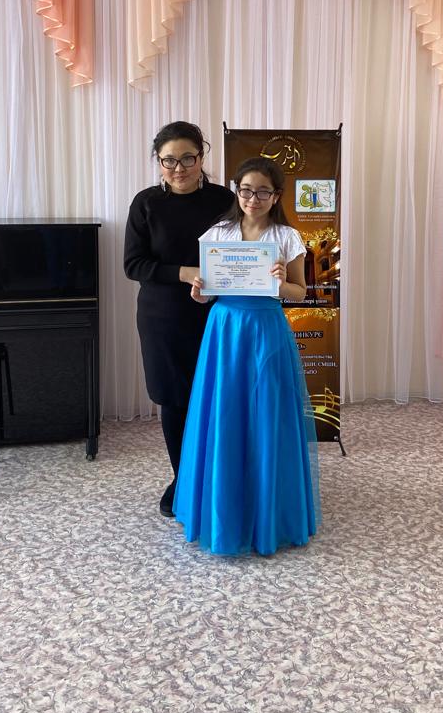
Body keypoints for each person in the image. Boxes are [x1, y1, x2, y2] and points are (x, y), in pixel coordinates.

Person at [173, 156, 321, 556]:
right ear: (236, 191)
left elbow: (300, 292)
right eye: (246, 190)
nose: (253, 199)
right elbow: (208, 292)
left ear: (276, 196)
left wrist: (281, 283)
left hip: (266, 330)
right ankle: (222, 510)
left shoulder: (286, 237)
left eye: (262, 192)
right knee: (224, 412)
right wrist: (199, 291)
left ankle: (269, 514)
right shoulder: (218, 233)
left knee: (267, 414)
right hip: (224, 329)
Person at [124, 122, 234, 516]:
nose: (179, 168)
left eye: (188, 158)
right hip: (163, 318)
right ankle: (182, 478)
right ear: (158, 162)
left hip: (217, 315)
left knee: (216, 396)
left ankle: (218, 476)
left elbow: (244, 247)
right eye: (168, 160)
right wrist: (185, 273)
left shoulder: (224, 200)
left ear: (201, 157)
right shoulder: (146, 203)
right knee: (173, 400)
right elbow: (134, 264)